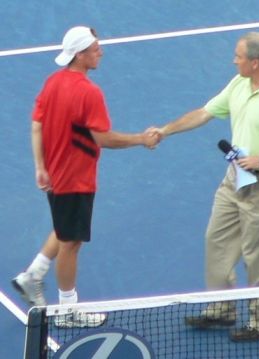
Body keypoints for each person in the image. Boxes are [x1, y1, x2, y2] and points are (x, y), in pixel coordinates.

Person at [148, 32, 259, 341]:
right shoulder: (239, 83)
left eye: (237, 56)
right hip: (236, 177)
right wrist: (166, 130)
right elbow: (205, 112)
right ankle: (221, 309)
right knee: (217, 239)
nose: (232, 60)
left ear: (254, 62)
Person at [12, 26, 160, 328]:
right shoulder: (89, 92)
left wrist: (40, 166)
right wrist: (141, 139)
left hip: (54, 172)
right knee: (71, 242)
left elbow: (37, 124)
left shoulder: (52, 82)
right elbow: (103, 138)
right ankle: (68, 310)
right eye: (95, 48)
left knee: (64, 227)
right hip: (75, 178)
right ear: (80, 55)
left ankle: (33, 274)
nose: (101, 52)